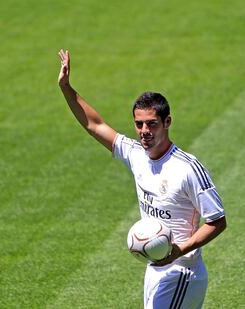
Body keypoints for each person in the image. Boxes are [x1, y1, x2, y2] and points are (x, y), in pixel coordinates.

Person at [57, 49, 227, 309]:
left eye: (152, 124)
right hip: (154, 267)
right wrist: (67, 88)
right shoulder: (136, 154)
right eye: (139, 124)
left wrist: (178, 251)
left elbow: (217, 221)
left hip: (182, 271)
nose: (144, 131)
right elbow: (95, 125)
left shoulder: (187, 168)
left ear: (167, 121)